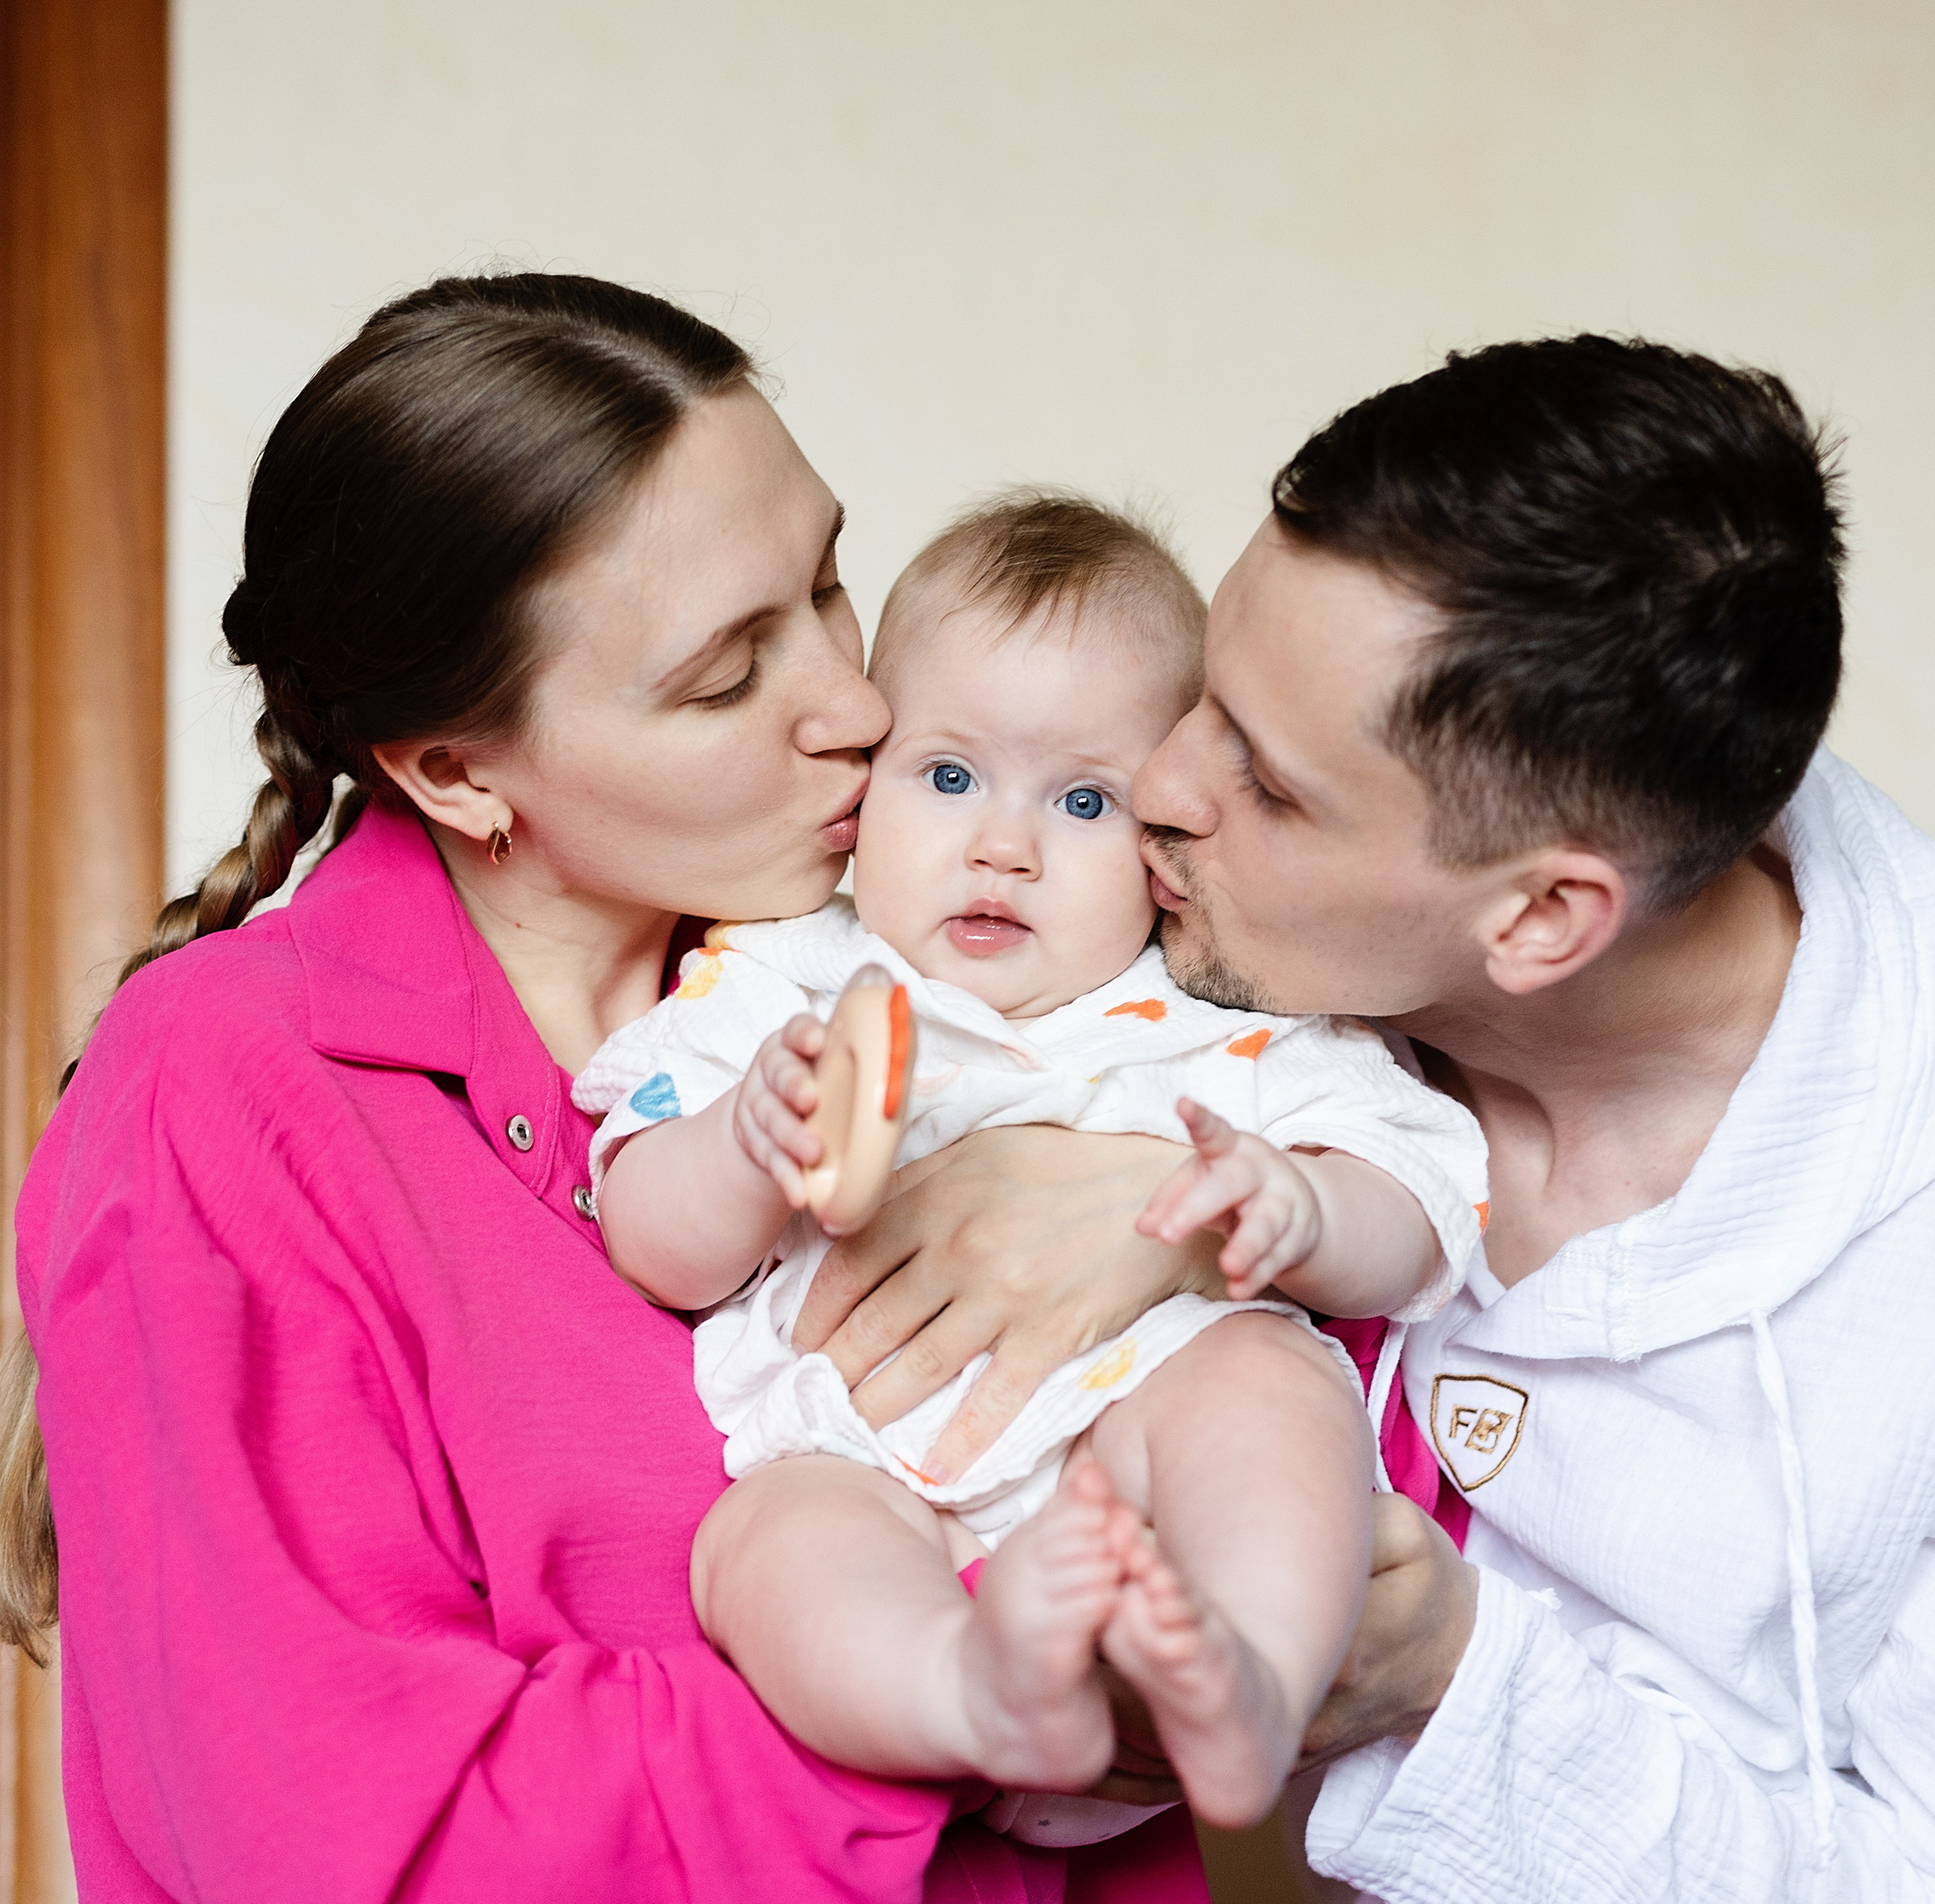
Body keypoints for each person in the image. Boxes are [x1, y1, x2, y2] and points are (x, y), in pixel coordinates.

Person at [0, 274, 1210, 1902]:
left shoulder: (940, 949)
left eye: (831, 583)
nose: (855, 709)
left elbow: (1367, 1479)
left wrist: (1153, 1221)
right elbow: (331, 1834)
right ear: (456, 768)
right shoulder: (225, 1090)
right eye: (726, 677)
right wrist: (959, 1718)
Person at [1122, 335, 1935, 1900]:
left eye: (1270, 787)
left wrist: (1450, 1678)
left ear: (1546, 918)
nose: (1157, 781)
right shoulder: (1210, 934)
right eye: (1202, 693)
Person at [579, 494, 1491, 1840]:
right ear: (864, 791)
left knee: (1264, 1380)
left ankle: (1256, 1673)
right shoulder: (781, 975)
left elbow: (1423, 1205)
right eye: (948, 778)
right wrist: (744, 1148)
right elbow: (647, 1237)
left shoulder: (1220, 1014)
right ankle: (970, 1692)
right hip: (872, 1469)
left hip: (1144, 1483)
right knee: (758, 1541)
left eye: (1081, 799)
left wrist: (1303, 1208)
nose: (1003, 845)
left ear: (1168, 836)